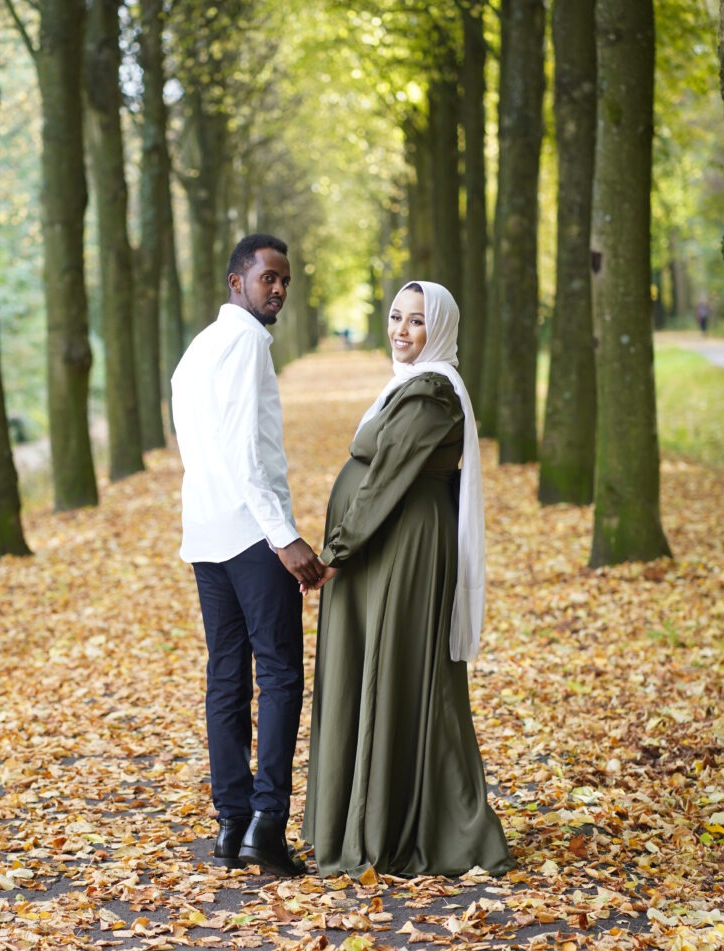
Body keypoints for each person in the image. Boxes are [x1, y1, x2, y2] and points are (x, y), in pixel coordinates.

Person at [302, 281, 512, 880]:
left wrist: (336, 550)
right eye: (395, 316)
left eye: (416, 321)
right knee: (372, 669)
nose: (402, 330)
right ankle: (365, 818)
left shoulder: (434, 392)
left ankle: (400, 827)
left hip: (403, 547)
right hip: (384, 542)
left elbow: (389, 471)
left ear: (439, 328)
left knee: (397, 673)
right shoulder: (410, 383)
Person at [171, 233, 325, 878]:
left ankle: (231, 827)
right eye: (268, 278)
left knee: (227, 679)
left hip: (206, 532)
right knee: (280, 675)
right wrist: (283, 535)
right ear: (238, 281)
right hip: (247, 537)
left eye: (285, 279)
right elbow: (245, 454)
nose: (279, 289)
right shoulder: (245, 345)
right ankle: (267, 823)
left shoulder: (197, 350)